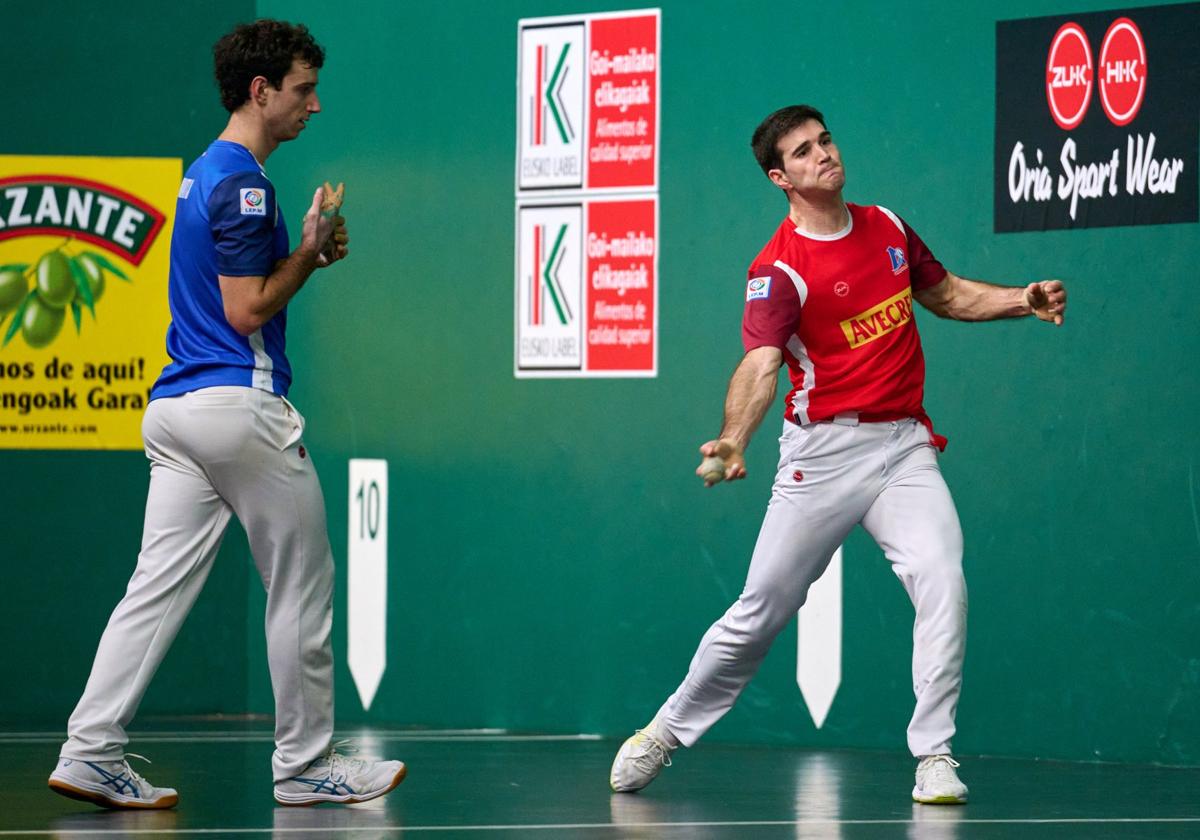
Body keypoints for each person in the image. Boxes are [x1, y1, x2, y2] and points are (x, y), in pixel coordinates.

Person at [609, 104, 1066, 804]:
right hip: (820, 457)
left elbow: (945, 295)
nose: (823, 154)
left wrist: (1020, 300)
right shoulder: (779, 271)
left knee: (942, 575)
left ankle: (934, 757)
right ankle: (664, 733)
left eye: (825, 140)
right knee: (761, 609)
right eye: (802, 152)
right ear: (779, 177)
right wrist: (734, 438)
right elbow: (761, 365)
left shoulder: (887, 227)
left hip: (903, 445)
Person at [48, 20, 405, 810]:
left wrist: (304, 247)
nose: (314, 106)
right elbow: (246, 311)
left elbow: (235, 290)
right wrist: (306, 255)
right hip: (238, 409)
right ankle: (307, 765)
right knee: (302, 584)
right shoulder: (244, 182)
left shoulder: (202, 171)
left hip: (176, 412)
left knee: (155, 589)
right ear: (260, 90)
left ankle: (89, 749)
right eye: (303, 90)